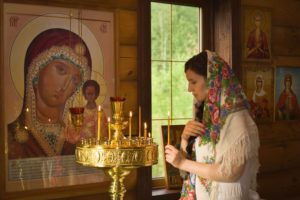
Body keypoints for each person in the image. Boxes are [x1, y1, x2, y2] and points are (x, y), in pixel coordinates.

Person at [165, 50, 260, 200]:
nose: (189, 88)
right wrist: (184, 139)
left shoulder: (237, 119)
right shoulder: (207, 116)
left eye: (193, 82)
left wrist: (182, 162)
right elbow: (189, 171)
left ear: (211, 79)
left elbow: (230, 172)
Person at [8, 28, 91, 159]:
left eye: (75, 80)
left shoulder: (77, 138)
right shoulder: (10, 136)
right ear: (37, 70)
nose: (65, 86)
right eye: (61, 70)